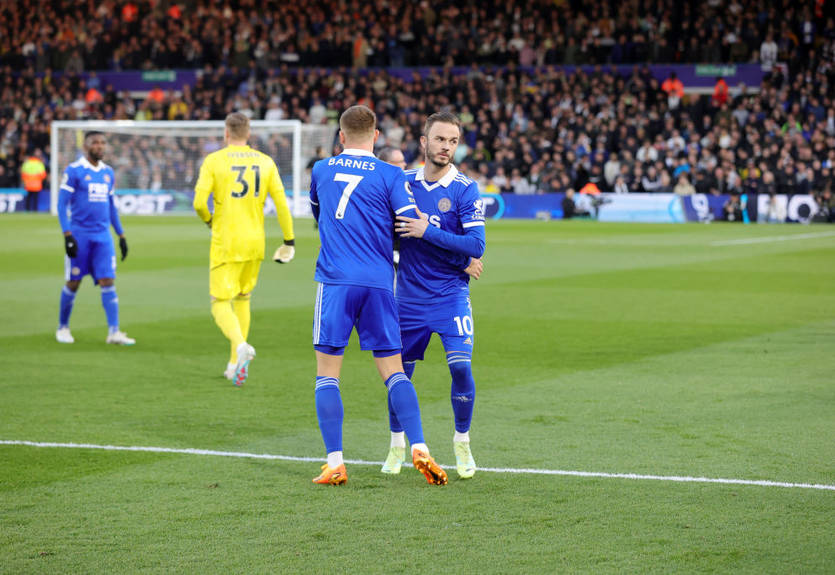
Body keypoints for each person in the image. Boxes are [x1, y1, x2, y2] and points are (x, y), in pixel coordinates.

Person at [308, 104, 447, 486]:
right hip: (379, 282)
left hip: (335, 281)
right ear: (375, 137)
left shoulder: (321, 169)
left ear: (340, 136)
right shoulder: (390, 173)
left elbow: (317, 214)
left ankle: (335, 462)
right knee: (394, 371)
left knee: (327, 375)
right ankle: (419, 447)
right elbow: (407, 222)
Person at [383, 111, 486, 479]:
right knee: (399, 375)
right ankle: (397, 444)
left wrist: (427, 231)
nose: (446, 147)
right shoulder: (402, 182)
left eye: (453, 141)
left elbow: (476, 244)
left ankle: (462, 441)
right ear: (424, 141)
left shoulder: (465, 189)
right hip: (407, 299)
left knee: (460, 366)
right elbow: (388, 233)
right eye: (440, 139)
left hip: (450, 296)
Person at [193, 112, 295, 386]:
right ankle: (233, 364)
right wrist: (289, 241)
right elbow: (282, 205)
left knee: (219, 303)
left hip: (227, 241)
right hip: (255, 241)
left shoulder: (214, 160)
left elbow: (200, 203)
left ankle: (240, 346)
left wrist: (209, 221)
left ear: (226, 133)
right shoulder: (265, 161)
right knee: (243, 298)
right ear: (248, 134)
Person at [55, 131, 134, 345]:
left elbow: (111, 207)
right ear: (86, 146)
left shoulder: (108, 173)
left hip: (103, 237)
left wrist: (121, 235)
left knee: (108, 280)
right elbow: (62, 204)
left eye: (103, 143)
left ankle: (114, 332)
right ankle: (62, 327)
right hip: (80, 235)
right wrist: (67, 235)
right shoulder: (74, 171)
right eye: (95, 143)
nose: (100, 146)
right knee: (73, 282)